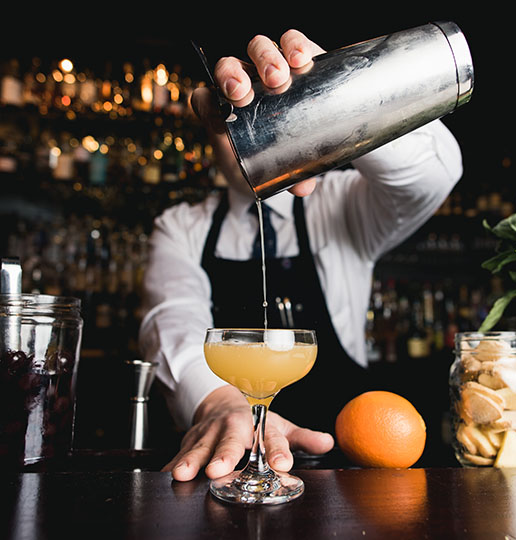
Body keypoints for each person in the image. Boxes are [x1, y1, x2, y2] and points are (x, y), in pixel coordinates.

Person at [139, 29, 463, 482]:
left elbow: (433, 174)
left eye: (259, 114)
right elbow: (171, 317)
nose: (243, 129)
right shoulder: (181, 227)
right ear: (208, 126)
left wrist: (333, 94)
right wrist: (218, 401)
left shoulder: (343, 203)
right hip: (226, 470)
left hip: (346, 469)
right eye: (231, 114)